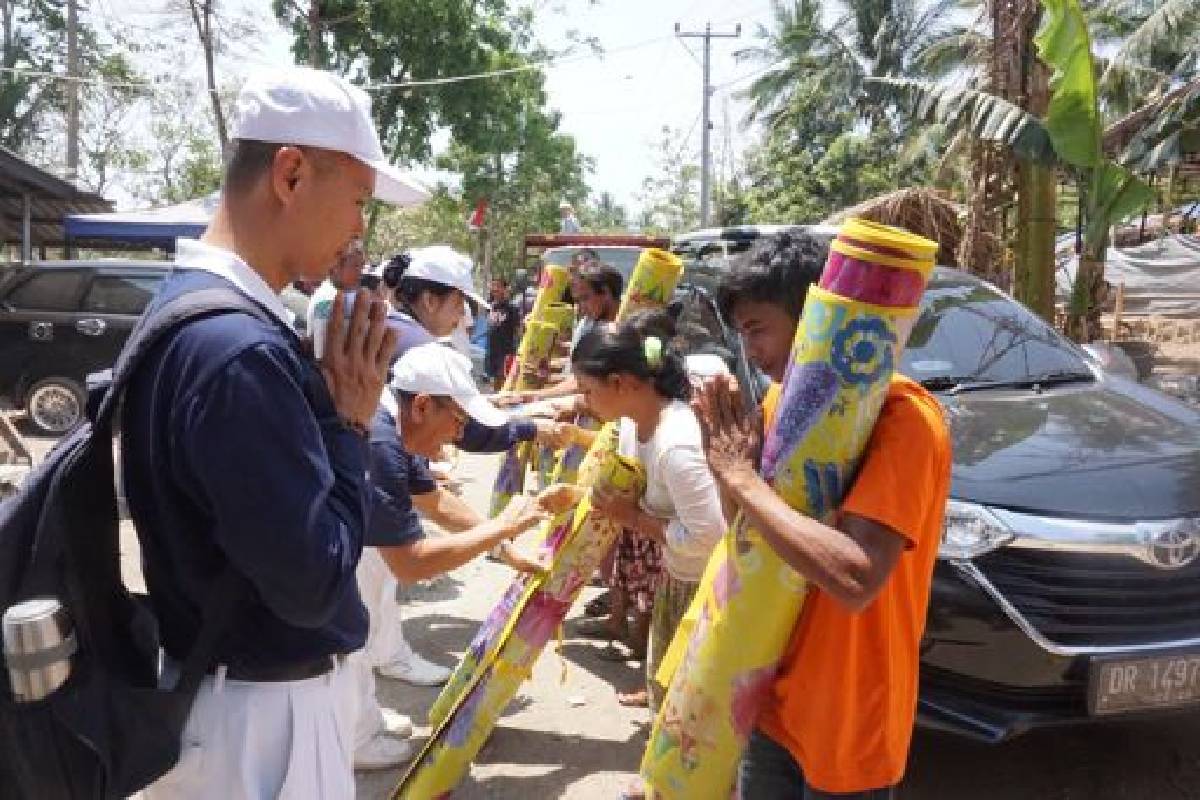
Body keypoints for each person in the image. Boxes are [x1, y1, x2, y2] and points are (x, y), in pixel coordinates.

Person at [121, 65, 423, 798]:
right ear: (289, 174)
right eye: (356, 199)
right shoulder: (238, 351)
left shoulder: (193, 309)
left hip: (224, 695)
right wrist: (350, 424)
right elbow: (313, 586)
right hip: (261, 722)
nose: (358, 228)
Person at [697, 231, 952, 798]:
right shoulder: (776, 403)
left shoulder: (904, 418)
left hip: (849, 714)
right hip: (770, 690)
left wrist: (741, 476)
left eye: (756, 328)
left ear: (815, 319)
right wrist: (724, 463)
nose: (751, 350)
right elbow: (744, 532)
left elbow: (856, 578)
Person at [351, 342, 572, 769]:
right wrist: (503, 526)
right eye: (457, 421)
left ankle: (360, 721)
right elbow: (411, 562)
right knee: (349, 636)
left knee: (362, 626)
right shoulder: (382, 443)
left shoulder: (397, 427)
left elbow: (434, 502)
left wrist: (503, 548)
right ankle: (354, 736)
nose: (457, 435)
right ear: (422, 406)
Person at [572, 312, 729, 722]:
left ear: (621, 383)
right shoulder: (633, 423)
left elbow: (710, 536)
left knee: (693, 705)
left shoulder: (676, 446)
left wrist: (633, 517)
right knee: (668, 680)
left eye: (588, 391)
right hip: (675, 575)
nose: (584, 402)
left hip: (703, 589)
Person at [498, 261, 624, 406]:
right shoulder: (587, 325)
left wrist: (534, 396)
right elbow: (576, 377)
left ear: (606, 292)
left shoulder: (625, 334)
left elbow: (585, 383)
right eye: (577, 300)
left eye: (585, 298)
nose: (581, 307)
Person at [485, 277, 520, 391]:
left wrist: (516, 351)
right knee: (493, 380)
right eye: (493, 285)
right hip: (492, 350)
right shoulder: (490, 306)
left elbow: (517, 330)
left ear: (505, 289)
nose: (495, 289)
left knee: (504, 380)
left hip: (505, 352)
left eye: (498, 286)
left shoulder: (511, 308)